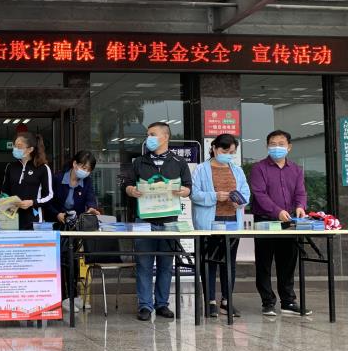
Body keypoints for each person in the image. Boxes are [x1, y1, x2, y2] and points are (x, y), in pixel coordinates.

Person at [123, 122, 192, 321]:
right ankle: (145, 305)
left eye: (152, 134)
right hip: (144, 221)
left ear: (165, 137)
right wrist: (131, 190)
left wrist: (183, 191)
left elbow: (189, 187)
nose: (149, 138)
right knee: (144, 264)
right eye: (148, 135)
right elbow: (127, 184)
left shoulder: (179, 161)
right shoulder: (139, 161)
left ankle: (162, 304)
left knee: (165, 264)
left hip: (169, 221)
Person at [249, 129, 312, 317]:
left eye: (281, 144)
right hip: (265, 220)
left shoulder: (296, 169)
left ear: (289, 147)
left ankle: (288, 301)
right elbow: (259, 194)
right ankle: (267, 302)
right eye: (273, 144)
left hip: (289, 221)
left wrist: (300, 206)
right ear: (267, 146)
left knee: (288, 261)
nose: (277, 147)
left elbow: (301, 192)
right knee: (264, 262)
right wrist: (277, 211)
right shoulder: (259, 168)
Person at [191, 134, 250, 318]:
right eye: (225, 151)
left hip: (232, 222)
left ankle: (226, 301)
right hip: (210, 223)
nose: (228, 155)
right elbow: (194, 194)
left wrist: (240, 201)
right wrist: (214, 196)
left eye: (232, 152)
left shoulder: (237, 170)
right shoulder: (201, 169)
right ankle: (210, 301)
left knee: (229, 263)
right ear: (214, 148)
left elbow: (246, 193)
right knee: (208, 262)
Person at [45, 151, 101, 313]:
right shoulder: (57, 179)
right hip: (56, 225)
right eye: (83, 167)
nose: (85, 171)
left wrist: (91, 208)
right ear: (74, 164)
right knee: (60, 262)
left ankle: (74, 295)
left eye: (88, 169)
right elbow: (47, 201)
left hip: (74, 227)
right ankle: (63, 297)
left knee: (74, 260)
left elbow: (90, 199)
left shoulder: (87, 181)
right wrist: (57, 214)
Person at [1, 132, 54, 230]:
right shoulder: (10, 167)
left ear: (30, 149)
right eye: (14, 146)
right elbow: (4, 193)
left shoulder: (43, 168)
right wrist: (8, 206)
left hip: (34, 220)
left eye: (19, 146)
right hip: (12, 219)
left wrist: (32, 202)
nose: (15, 149)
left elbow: (49, 196)